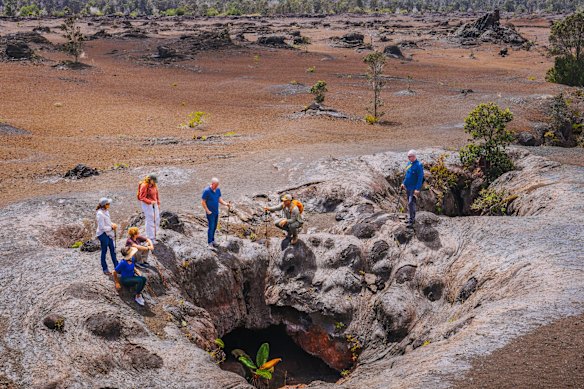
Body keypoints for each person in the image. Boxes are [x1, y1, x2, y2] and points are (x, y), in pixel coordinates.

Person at [201, 177, 231, 249]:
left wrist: (226, 204)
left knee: (214, 227)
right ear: (212, 184)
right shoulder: (206, 191)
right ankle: (209, 243)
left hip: (216, 212)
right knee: (211, 227)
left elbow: (219, 199)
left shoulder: (217, 190)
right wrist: (207, 211)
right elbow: (203, 202)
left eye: (218, 185)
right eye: (216, 185)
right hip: (210, 213)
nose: (217, 186)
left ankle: (213, 240)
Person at [401, 149, 424, 227]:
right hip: (408, 187)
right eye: (408, 156)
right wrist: (403, 183)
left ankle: (412, 221)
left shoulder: (419, 165)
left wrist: (417, 189)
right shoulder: (409, 164)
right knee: (409, 203)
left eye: (409, 157)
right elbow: (407, 175)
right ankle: (410, 218)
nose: (408, 158)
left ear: (414, 156)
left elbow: (420, 178)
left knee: (411, 203)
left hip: (414, 188)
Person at [96, 197, 118, 275]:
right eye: (108, 204)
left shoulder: (106, 211)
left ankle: (117, 267)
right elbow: (102, 227)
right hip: (103, 234)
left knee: (113, 250)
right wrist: (111, 227)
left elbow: (108, 222)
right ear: (104, 205)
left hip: (108, 233)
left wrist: (112, 224)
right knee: (104, 251)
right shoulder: (100, 214)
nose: (109, 205)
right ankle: (105, 269)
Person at [137, 174, 160, 244]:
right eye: (154, 181)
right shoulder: (144, 185)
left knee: (156, 219)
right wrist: (150, 202)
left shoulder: (154, 185)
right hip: (147, 205)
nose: (155, 183)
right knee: (150, 220)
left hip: (154, 203)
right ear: (150, 179)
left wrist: (158, 203)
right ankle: (150, 238)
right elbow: (142, 197)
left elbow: (157, 194)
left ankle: (154, 235)